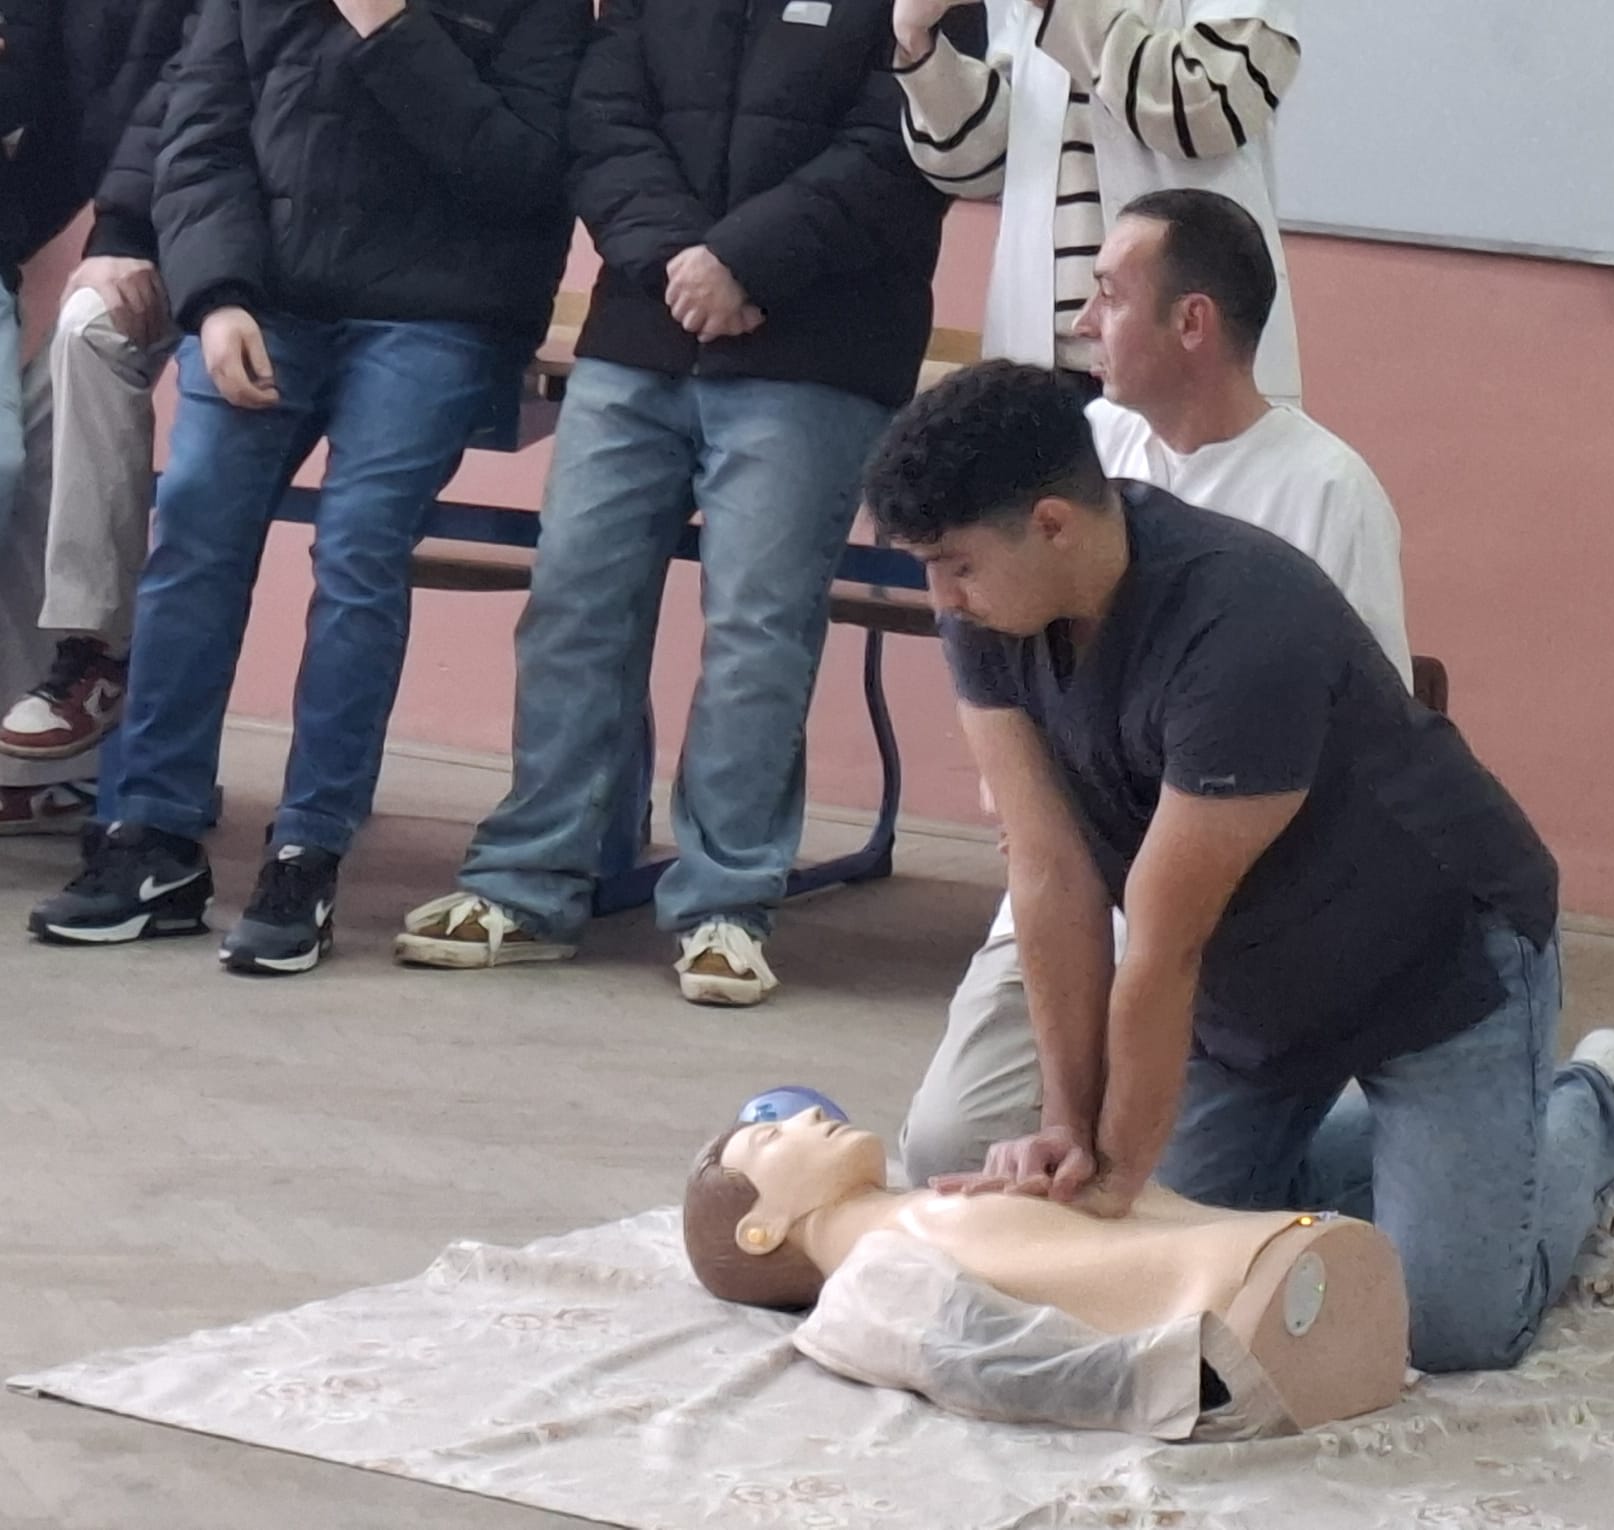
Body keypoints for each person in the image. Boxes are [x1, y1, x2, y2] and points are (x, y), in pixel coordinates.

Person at [861, 360, 1614, 1375]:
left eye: (954, 565)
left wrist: (1112, 1177)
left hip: (1435, 963)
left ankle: (1589, 1107)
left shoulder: (1241, 621)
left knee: (1449, 1328)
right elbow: (1053, 875)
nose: (941, 597)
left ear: (1052, 524)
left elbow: (1165, 934)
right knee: (1187, 1265)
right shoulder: (993, 611)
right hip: (1256, 983)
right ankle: (1436, 1148)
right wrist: (1069, 1128)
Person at [393, 0, 952, 1008]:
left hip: (819, 349)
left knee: (757, 629)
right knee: (573, 604)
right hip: (641, 332)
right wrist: (680, 264)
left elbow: (904, 146)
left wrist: (745, 261)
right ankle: (526, 885)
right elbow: (604, 115)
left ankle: (725, 906)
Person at [27, 0, 589, 973]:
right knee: (194, 526)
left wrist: (392, 28)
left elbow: (525, 173)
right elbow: (201, 134)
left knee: (359, 546)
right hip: (266, 300)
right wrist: (217, 296)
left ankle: (307, 852)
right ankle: (151, 839)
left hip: (439, 315)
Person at [900, 187, 1410, 1184]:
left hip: (1234, 915)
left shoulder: (1326, 489)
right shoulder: (1070, 449)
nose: (1083, 321)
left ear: (1193, 322)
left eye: (1108, 294)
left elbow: (1367, 737)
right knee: (949, 1148)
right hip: (1075, 882)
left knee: (1164, 1179)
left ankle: (1483, 1129)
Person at [686, 1105, 1409, 1432]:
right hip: (1245, 1323)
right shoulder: (865, 1287)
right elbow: (995, 1367)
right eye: (773, 1138)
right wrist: (1182, 1380)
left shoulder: (921, 1206)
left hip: (1283, 1260)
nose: (809, 1118)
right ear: (760, 1231)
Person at [889, 0, 1301, 401]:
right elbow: (984, 163)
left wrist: (1063, 9)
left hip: (1179, 365)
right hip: (1043, 364)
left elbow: (1209, 104)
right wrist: (921, 48)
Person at [0, 0, 194, 832]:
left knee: (87, 333)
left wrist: (122, 230)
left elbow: (206, 93)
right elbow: (55, 120)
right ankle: (41, 756)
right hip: (154, 213)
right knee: (42, 432)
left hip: (251, 220)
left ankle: (94, 651)